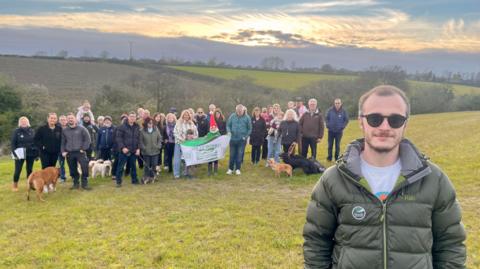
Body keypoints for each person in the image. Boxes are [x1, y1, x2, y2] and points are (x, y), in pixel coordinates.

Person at [303, 85, 466, 268]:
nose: (385, 126)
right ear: (361, 121)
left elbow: (451, 246)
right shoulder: (333, 180)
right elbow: (316, 244)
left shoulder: (434, 180)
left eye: (395, 120)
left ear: (406, 123)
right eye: (375, 119)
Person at [61, 113, 91, 190]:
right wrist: (63, 151)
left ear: (75, 119)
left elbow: (87, 140)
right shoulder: (64, 130)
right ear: (67, 120)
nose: (70, 119)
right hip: (69, 153)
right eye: (69, 118)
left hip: (80, 152)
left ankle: (85, 184)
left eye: (72, 118)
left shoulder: (82, 129)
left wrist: (83, 148)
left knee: (84, 167)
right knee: (72, 169)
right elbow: (63, 142)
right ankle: (75, 183)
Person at [11, 116, 38, 191]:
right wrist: (14, 153)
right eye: (22, 121)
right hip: (19, 153)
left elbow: (35, 142)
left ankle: (30, 184)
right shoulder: (16, 131)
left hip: (30, 153)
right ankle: (15, 185)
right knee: (18, 170)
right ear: (20, 123)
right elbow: (13, 143)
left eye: (25, 121)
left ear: (28, 122)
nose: (24, 122)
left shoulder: (32, 131)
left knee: (29, 170)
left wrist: (36, 154)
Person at [115, 111, 141, 187]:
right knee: (120, 166)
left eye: (134, 117)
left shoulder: (137, 127)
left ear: (135, 118)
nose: (132, 118)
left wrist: (138, 149)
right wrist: (123, 147)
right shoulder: (122, 127)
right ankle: (118, 181)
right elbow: (118, 138)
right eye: (131, 116)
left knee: (133, 166)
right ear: (128, 117)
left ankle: (134, 180)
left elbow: (139, 139)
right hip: (124, 150)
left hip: (134, 150)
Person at [226, 104, 252, 175]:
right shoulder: (232, 116)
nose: (239, 113)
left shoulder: (247, 118)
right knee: (232, 155)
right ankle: (230, 169)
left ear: (243, 110)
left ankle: (237, 169)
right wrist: (228, 131)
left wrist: (246, 137)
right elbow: (228, 125)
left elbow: (250, 129)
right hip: (232, 139)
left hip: (242, 139)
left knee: (239, 155)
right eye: (238, 111)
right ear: (236, 110)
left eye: (240, 111)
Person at [173, 110, 198, 179]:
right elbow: (175, 133)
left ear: (189, 116)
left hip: (189, 144)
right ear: (182, 115)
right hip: (179, 143)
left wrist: (193, 138)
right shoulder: (179, 123)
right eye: (185, 115)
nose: (186, 116)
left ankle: (187, 173)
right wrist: (182, 139)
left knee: (188, 158)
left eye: (187, 115)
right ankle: (176, 174)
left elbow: (196, 133)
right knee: (177, 158)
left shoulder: (192, 124)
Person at [139, 117, 162, 183]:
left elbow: (160, 138)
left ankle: (153, 177)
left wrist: (158, 146)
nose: (150, 124)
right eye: (149, 123)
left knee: (154, 164)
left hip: (155, 151)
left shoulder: (156, 129)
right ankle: (146, 177)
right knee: (147, 165)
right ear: (146, 123)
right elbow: (140, 141)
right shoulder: (142, 131)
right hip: (146, 152)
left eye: (152, 123)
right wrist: (144, 148)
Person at [208, 108, 226, 176]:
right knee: (210, 155)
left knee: (216, 155)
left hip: (219, 139)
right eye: (216, 114)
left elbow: (224, 130)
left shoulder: (223, 120)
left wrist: (222, 137)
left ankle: (215, 170)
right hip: (212, 139)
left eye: (218, 114)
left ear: (220, 114)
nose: (217, 115)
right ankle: (209, 170)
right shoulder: (212, 120)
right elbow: (209, 129)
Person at [58, 115, 68, 182]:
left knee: (72, 163)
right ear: (59, 121)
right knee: (61, 164)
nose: (63, 121)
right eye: (61, 120)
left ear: (66, 120)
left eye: (64, 120)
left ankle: (74, 175)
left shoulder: (70, 127)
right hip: (60, 149)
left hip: (69, 148)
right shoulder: (57, 128)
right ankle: (62, 177)